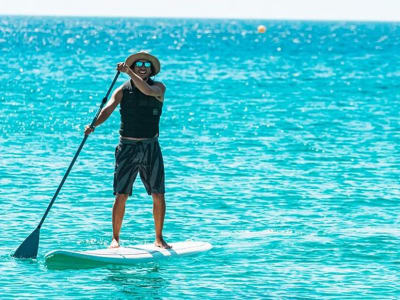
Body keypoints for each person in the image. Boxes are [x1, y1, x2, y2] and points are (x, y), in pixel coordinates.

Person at [84, 51, 170, 249]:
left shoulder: (158, 88)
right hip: (127, 147)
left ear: (152, 70)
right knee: (121, 194)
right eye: (138, 63)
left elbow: (147, 92)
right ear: (134, 66)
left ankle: (159, 238)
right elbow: (109, 107)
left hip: (150, 146)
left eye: (146, 65)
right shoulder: (123, 89)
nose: (142, 66)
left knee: (158, 194)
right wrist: (93, 126)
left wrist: (129, 73)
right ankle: (115, 239)